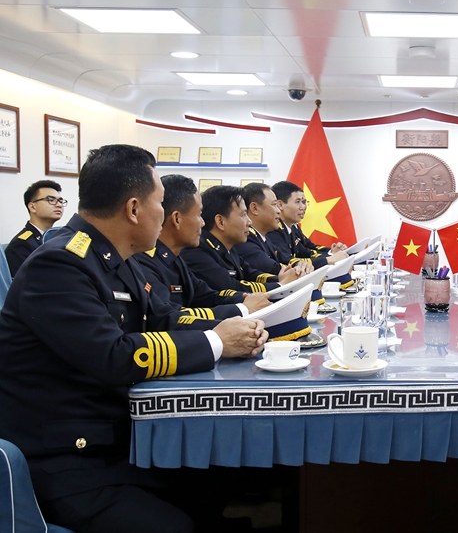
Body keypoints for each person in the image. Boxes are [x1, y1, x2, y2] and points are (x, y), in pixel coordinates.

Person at [0, 144, 269, 533]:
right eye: (159, 202)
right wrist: (216, 342)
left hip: (114, 439)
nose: (164, 213)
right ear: (133, 209)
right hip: (66, 460)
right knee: (175, 522)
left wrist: (237, 325)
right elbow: (114, 355)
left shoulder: (114, 260)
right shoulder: (59, 264)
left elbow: (164, 319)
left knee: (216, 474)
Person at [132, 175, 272, 320]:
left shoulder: (174, 259)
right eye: (199, 215)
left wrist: (245, 300)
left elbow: (206, 295)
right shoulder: (146, 262)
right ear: (177, 219)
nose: (203, 223)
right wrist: (242, 308)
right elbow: (169, 317)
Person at [181, 185, 303, 293]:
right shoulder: (197, 251)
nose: (249, 222)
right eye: (243, 215)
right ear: (220, 222)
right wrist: (280, 285)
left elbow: (251, 274)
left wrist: (280, 279)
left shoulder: (228, 247)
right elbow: (231, 286)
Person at [235, 182, 313, 277]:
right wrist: (298, 270)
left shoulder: (264, 238)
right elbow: (272, 268)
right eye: (274, 205)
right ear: (254, 208)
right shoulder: (246, 239)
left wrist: (300, 264)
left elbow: (284, 258)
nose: (279, 210)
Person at [267, 180, 349, 268]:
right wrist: (328, 259)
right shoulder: (273, 230)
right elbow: (288, 261)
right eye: (297, 202)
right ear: (280, 205)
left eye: (304, 202)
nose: (303, 207)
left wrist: (332, 252)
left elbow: (308, 249)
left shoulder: (293, 226)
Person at [5, 179, 66, 276]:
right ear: (32, 207)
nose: (59, 205)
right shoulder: (21, 245)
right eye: (51, 200)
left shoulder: (60, 238)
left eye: (60, 201)